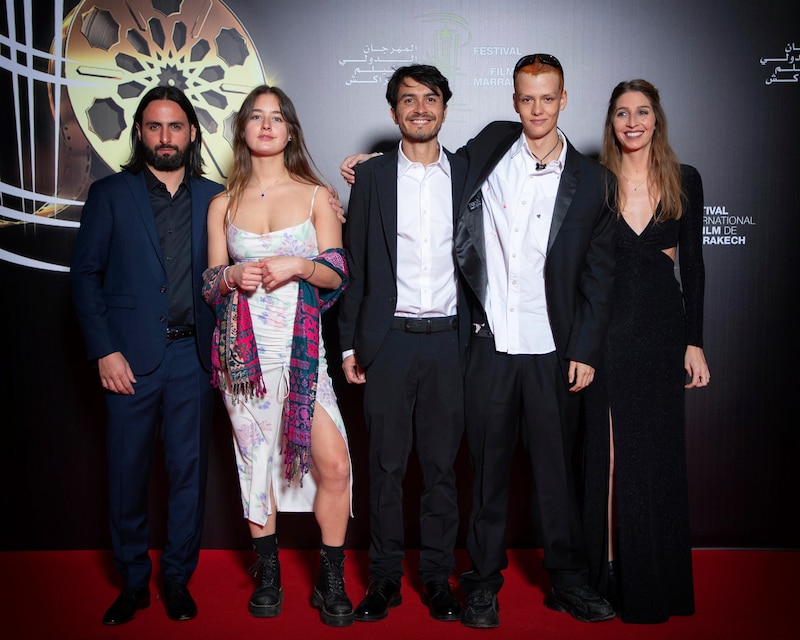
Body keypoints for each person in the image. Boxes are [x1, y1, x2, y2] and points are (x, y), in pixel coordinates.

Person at [452, 53, 616, 628]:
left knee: (557, 474)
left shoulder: (595, 180)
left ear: (564, 99)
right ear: (514, 100)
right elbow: (430, 168)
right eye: (527, 98)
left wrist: (585, 350)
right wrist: (373, 164)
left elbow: (600, 273)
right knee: (487, 473)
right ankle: (482, 582)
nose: (537, 109)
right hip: (490, 344)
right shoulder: (492, 144)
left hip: (554, 348)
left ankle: (567, 580)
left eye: (548, 98)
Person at [71, 86, 224, 625]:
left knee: (188, 475)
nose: (166, 137)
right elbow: (86, 276)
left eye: (176, 127)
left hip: (194, 359)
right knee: (127, 473)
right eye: (155, 127)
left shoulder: (216, 197)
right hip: (128, 360)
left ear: (191, 133)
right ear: (140, 132)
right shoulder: (111, 194)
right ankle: (134, 582)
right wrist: (104, 351)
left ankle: (177, 580)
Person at [202, 85, 353, 627]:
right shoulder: (222, 203)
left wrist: (300, 265)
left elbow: (337, 271)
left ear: (290, 130)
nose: (267, 125)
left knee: (333, 464)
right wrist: (230, 276)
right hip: (243, 362)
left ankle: (330, 580)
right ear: (243, 129)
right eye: (256, 117)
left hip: (302, 354)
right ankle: (268, 575)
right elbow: (211, 283)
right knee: (255, 467)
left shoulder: (317, 196)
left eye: (277, 117)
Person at [337, 65, 468, 623]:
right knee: (384, 469)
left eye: (430, 98)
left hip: (450, 344)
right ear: (392, 113)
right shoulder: (371, 180)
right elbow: (355, 269)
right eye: (408, 100)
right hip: (387, 342)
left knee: (441, 471)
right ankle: (385, 580)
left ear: (444, 107)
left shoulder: (470, 173)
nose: (420, 108)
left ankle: (438, 579)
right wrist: (348, 346)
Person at [582, 79, 710, 624]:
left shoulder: (684, 180)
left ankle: (655, 577)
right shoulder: (594, 182)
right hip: (606, 332)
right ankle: (610, 572)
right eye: (621, 114)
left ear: (656, 119)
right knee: (610, 459)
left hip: (661, 331)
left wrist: (694, 340)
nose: (632, 122)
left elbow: (695, 265)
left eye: (642, 112)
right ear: (610, 123)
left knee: (654, 460)